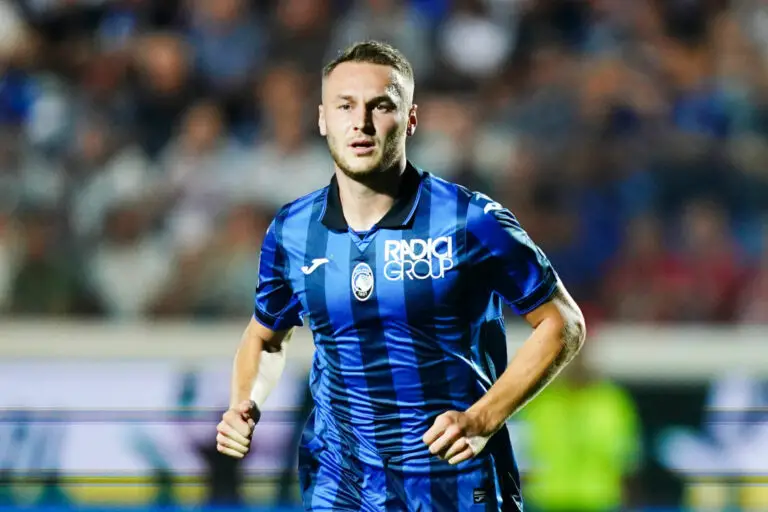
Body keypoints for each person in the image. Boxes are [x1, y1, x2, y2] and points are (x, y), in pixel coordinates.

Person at [216, 40, 586, 511]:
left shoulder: (469, 221)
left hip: (453, 482)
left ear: (410, 119)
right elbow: (265, 337)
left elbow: (562, 323)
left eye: (381, 106)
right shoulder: (292, 230)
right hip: (341, 482)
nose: (362, 122)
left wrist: (483, 418)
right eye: (345, 106)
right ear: (322, 119)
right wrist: (244, 402)